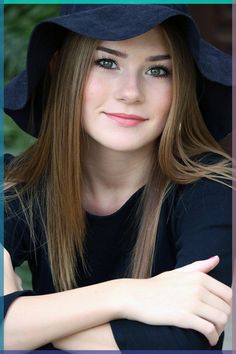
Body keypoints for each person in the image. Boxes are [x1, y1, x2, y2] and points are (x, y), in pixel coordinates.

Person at [3, 4, 232, 351]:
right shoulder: (18, 185)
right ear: (61, 69)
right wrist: (126, 296)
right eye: (107, 62)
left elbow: (187, 339)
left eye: (158, 71)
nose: (130, 92)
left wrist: (27, 323)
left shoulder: (211, 188)